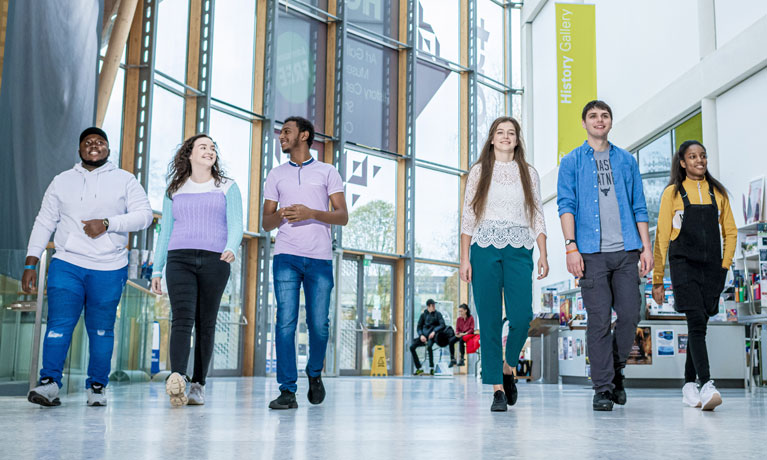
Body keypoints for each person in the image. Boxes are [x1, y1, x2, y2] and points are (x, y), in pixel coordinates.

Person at [22, 127, 153, 407]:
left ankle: (97, 386)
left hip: (109, 266)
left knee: (101, 329)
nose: (94, 145)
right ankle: (49, 383)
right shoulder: (61, 181)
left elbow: (144, 216)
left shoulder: (125, 180)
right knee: (58, 325)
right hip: (68, 263)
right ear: (80, 149)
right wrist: (31, 261)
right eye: (88, 142)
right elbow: (44, 221)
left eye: (100, 142)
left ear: (108, 149)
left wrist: (108, 223)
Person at [557, 100, 653, 411]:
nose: (600, 120)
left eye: (605, 115)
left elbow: (639, 205)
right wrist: (571, 246)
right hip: (590, 253)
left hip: (626, 250)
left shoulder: (626, 161)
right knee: (598, 321)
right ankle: (602, 387)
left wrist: (646, 247)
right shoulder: (572, 161)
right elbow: (566, 205)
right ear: (584, 123)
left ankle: (615, 372)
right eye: (593, 116)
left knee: (629, 315)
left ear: (611, 121)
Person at [460, 116, 548, 412]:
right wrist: (464, 259)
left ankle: (509, 367)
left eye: (511, 133)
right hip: (483, 248)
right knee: (489, 320)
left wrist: (543, 252)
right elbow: (468, 217)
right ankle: (497, 388)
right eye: (500, 132)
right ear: (492, 138)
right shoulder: (479, 171)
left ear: (518, 139)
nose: (506, 137)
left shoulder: (529, 173)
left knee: (522, 316)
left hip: (519, 249)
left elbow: (537, 214)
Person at [262, 116, 348, 410]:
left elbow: (342, 216)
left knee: (319, 325)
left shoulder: (327, 172)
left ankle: (314, 374)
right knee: (285, 322)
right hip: (286, 256)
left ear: (304, 135)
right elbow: (265, 222)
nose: (281, 136)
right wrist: (282, 215)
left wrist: (311, 212)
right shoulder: (275, 175)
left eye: (286, 131)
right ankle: (287, 390)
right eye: (280, 132)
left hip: (320, 259)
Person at [151, 134, 243, 407]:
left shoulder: (228, 186)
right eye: (203, 147)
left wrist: (232, 247)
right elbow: (164, 231)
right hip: (179, 260)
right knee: (181, 319)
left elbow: (236, 223)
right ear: (189, 154)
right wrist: (157, 270)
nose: (210, 151)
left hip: (216, 260)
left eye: (213, 147)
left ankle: (198, 384)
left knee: (206, 323)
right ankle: (177, 377)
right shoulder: (175, 189)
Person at [652, 140, 735, 411]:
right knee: (697, 320)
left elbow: (730, 233)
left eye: (703, 156)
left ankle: (689, 385)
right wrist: (657, 278)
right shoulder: (672, 194)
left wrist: (724, 266)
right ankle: (707, 382)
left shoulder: (717, 193)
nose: (699, 160)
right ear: (683, 162)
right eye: (692, 156)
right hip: (683, 264)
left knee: (699, 325)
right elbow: (662, 238)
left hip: (712, 267)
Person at [409, 299, 446, 375]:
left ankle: (431, 368)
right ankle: (419, 368)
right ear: (428, 306)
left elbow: (442, 325)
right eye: (432, 305)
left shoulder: (438, 314)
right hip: (423, 337)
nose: (434, 306)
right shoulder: (423, 315)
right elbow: (419, 327)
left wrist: (434, 331)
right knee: (412, 347)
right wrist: (421, 335)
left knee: (429, 346)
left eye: (434, 305)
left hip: (432, 337)